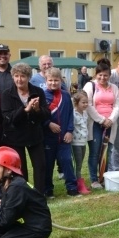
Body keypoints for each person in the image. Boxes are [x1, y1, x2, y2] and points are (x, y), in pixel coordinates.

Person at [1, 63, 49, 194]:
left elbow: (46, 114)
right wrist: (25, 110)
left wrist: (38, 110)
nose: (19, 79)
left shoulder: (37, 92)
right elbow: (8, 117)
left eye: (22, 76)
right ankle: (23, 194)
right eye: (16, 76)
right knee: (20, 169)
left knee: (40, 166)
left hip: (34, 135)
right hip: (15, 136)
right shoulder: (7, 94)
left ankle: (39, 194)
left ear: (28, 77)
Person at [84, 61, 119, 189]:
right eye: (100, 75)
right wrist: (101, 120)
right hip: (95, 123)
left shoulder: (114, 88)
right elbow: (87, 105)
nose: (102, 78)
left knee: (107, 151)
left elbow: (117, 105)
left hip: (110, 124)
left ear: (109, 75)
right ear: (96, 75)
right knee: (95, 151)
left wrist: (110, 119)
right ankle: (94, 179)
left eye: (105, 75)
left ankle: (103, 177)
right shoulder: (90, 86)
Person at [43, 68, 78, 197]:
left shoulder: (66, 95)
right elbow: (39, 116)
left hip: (64, 137)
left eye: (56, 80)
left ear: (60, 81)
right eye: (50, 80)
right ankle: (47, 189)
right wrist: (48, 124)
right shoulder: (41, 96)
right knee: (48, 164)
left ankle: (72, 187)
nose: (53, 83)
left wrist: (69, 131)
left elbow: (70, 114)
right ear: (46, 81)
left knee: (67, 161)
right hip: (48, 138)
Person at [71, 91, 91, 194]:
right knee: (78, 164)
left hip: (83, 142)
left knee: (80, 164)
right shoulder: (73, 114)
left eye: (87, 102)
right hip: (75, 143)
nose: (85, 104)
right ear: (76, 102)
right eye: (83, 102)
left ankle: (79, 182)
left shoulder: (85, 113)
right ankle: (78, 185)